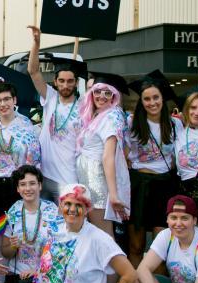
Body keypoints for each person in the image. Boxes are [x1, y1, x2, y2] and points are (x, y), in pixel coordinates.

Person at [28, 184, 137, 283]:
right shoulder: (54, 230)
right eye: (68, 204)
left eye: (79, 205)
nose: (72, 209)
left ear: (87, 210)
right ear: (61, 205)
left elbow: (130, 275)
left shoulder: (99, 239)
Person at [126, 69, 182, 266]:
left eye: (155, 97)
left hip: (165, 186)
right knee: (136, 245)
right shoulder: (131, 123)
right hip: (139, 185)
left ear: (162, 98)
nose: (152, 103)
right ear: (141, 101)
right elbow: (123, 155)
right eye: (147, 99)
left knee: (161, 246)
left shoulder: (175, 124)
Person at [27, 26, 88, 201]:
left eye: (70, 81)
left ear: (76, 83)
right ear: (55, 82)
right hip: (43, 175)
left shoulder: (83, 106)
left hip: (68, 178)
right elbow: (33, 71)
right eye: (61, 81)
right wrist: (36, 43)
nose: (65, 85)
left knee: (65, 223)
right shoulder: (50, 97)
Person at [0, 82, 41, 226]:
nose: (3, 104)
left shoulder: (26, 124)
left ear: (14, 100)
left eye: (7, 99)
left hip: (17, 186)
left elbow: (35, 162)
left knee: (17, 233)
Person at [0, 165, 66, 283]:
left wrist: (38, 272)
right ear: (17, 189)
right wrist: (12, 246)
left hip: (43, 276)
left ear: (40, 186)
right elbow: (5, 252)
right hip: (16, 276)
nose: (27, 188)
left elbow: (60, 253)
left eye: (32, 183)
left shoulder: (53, 211)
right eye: (22, 184)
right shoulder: (12, 211)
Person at [129, 195, 198, 283]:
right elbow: (143, 269)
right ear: (167, 220)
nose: (178, 223)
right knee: (133, 282)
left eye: (184, 218)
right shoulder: (166, 235)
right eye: (173, 217)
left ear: (194, 220)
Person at [75, 72, 131, 237]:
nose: (102, 96)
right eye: (98, 91)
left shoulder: (112, 116)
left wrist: (113, 195)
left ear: (114, 96)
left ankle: (115, 264)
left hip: (97, 181)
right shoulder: (97, 115)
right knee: (94, 234)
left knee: (103, 236)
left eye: (108, 93)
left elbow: (108, 156)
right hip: (88, 179)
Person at [175, 93, 198, 204]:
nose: (197, 113)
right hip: (184, 193)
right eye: (193, 107)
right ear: (187, 109)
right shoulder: (177, 129)